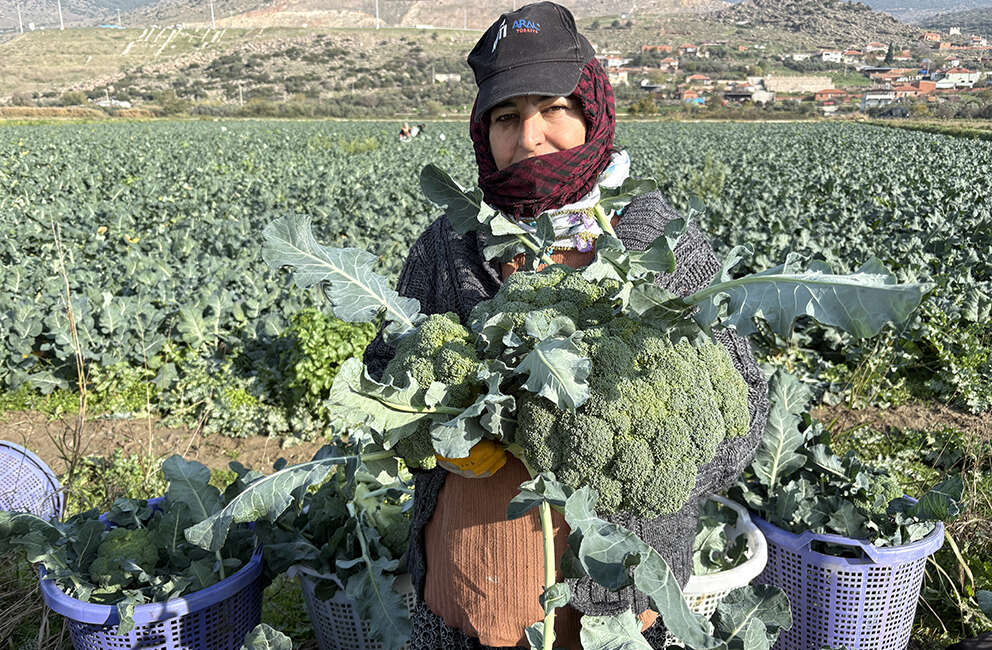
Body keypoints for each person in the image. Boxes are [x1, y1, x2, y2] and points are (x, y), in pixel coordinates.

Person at [363, 3, 768, 648]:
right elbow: (381, 380)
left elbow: (746, 404)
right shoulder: (449, 245)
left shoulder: (659, 240)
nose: (530, 137)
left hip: (619, 593)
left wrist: (654, 453)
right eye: (506, 117)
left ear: (592, 110)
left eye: (553, 108)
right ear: (482, 131)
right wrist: (446, 431)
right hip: (473, 581)